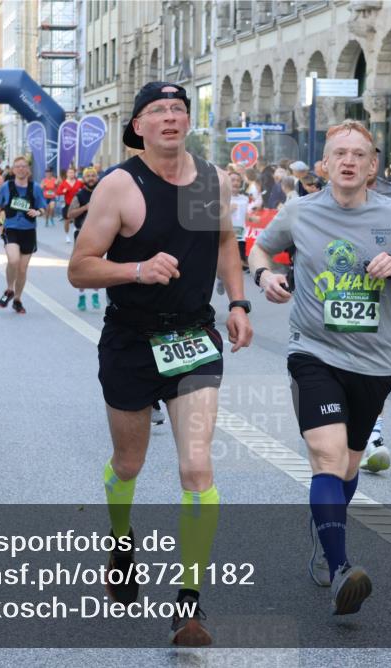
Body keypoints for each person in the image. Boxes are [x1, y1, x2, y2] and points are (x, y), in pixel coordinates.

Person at [67, 81, 253, 646]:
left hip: (192, 338)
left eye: (178, 109)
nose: (170, 118)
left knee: (197, 468)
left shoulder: (209, 180)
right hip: (130, 339)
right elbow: (80, 268)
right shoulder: (121, 185)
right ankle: (121, 542)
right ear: (138, 126)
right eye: (157, 111)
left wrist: (238, 301)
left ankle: (189, 604)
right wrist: (137, 270)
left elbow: (224, 244)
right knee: (128, 464)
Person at [248, 120, 391, 614]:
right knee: (326, 455)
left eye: (359, 154)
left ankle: (325, 527)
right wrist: (264, 274)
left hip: (372, 362)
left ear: (373, 166)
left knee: (349, 466)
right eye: (339, 154)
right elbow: (260, 248)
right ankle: (341, 566)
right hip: (313, 352)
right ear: (325, 165)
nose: (349, 161)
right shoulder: (299, 211)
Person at [0, 157, 46, 314]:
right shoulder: (7, 187)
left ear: (28, 170)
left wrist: (37, 212)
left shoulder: (35, 188)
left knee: (22, 270)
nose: (21, 169)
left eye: (24, 166)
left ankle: (17, 299)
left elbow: (43, 207)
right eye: (18, 166)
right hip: (11, 228)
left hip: (29, 230)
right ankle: (9, 288)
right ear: (13, 170)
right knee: (13, 260)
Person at [67, 167, 101, 310]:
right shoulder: (79, 195)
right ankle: (81, 297)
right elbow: (70, 214)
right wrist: (85, 207)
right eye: (88, 176)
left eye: (93, 175)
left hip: (100, 234)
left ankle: (95, 294)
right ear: (84, 179)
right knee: (81, 265)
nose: (91, 178)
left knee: (97, 266)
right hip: (81, 233)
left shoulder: (102, 193)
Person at [57, 167, 82, 243]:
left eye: (72, 172)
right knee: (67, 221)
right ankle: (67, 235)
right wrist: (63, 191)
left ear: (74, 174)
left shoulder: (79, 182)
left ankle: (75, 230)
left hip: (77, 204)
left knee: (76, 219)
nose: (71, 174)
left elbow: (85, 189)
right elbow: (58, 192)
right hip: (67, 204)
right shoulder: (64, 183)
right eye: (69, 173)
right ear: (67, 174)